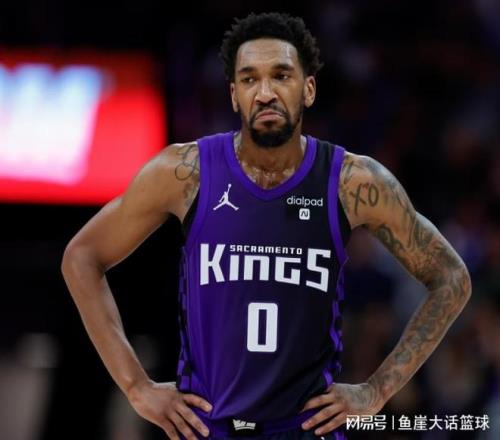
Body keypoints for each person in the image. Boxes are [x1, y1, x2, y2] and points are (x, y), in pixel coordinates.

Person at [61, 12, 472, 440]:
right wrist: (135, 386)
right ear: (234, 95)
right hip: (209, 428)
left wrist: (377, 390)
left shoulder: (353, 182)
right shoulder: (185, 172)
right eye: (249, 79)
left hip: (305, 430)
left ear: (308, 89)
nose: (265, 92)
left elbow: (451, 278)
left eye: (281, 76)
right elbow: (82, 257)